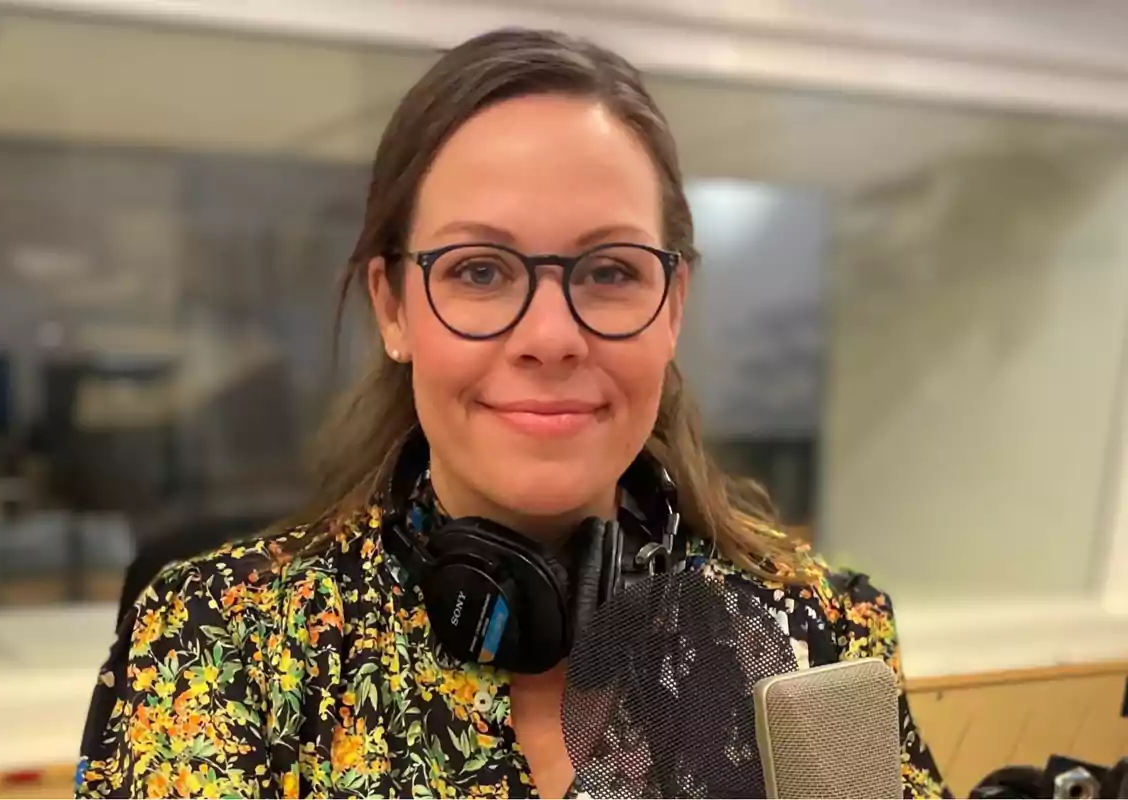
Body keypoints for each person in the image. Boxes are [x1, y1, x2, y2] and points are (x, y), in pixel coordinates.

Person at [74, 28, 950, 800]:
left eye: (609, 271)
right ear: (393, 307)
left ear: (672, 303)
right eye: (480, 271)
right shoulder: (229, 643)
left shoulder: (815, 634)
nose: (550, 336)